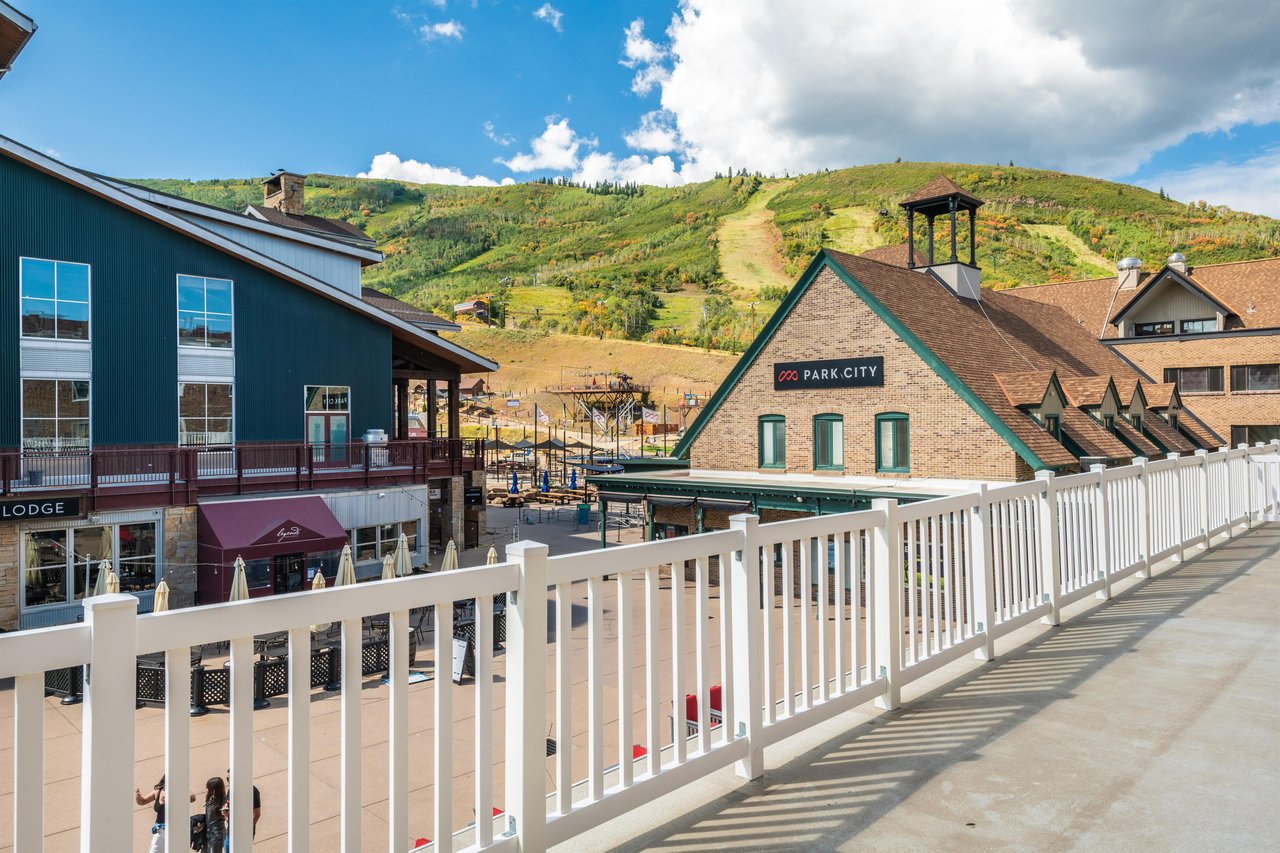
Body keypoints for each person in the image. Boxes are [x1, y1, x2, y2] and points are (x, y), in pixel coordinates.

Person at [134, 775, 195, 853]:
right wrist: (138, 798)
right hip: (160, 831)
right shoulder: (157, 792)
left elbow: (192, 798)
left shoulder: (179, 791)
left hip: (175, 831)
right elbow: (142, 802)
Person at [224, 767, 261, 845]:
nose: (227, 781)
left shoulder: (252, 791)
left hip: (244, 835)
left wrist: (248, 828)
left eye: (229, 778)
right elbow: (228, 807)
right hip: (230, 832)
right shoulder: (230, 790)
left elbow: (257, 814)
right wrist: (226, 815)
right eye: (227, 779)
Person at [202, 776, 227, 853]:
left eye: (207, 788)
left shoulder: (223, 801)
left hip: (217, 833)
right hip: (208, 831)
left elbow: (224, 816)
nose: (205, 789)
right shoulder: (210, 799)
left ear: (213, 790)